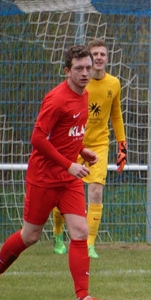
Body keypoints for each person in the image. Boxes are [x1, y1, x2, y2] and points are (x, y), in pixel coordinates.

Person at [0, 44, 111, 300]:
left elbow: (67, 133)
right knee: (30, 236)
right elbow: (38, 139)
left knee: (80, 231)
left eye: (88, 68)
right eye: (79, 68)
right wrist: (68, 164)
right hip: (44, 178)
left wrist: (81, 151)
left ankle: (83, 298)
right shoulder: (57, 99)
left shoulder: (84, 95)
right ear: (67, 71)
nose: (85, 73)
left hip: (68, 178)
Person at [51, 39, 127, 259]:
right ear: (89, 59)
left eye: (103, 54)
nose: (99, 57)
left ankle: (89, 244)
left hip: (100, 144)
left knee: (95, 192)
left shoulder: (114, 84)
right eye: (95, 54)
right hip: (75, 143)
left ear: (107, 58)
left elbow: (116, 115)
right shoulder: (79, 82)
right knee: (62, 192)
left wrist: (122, 146)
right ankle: (57, 234)